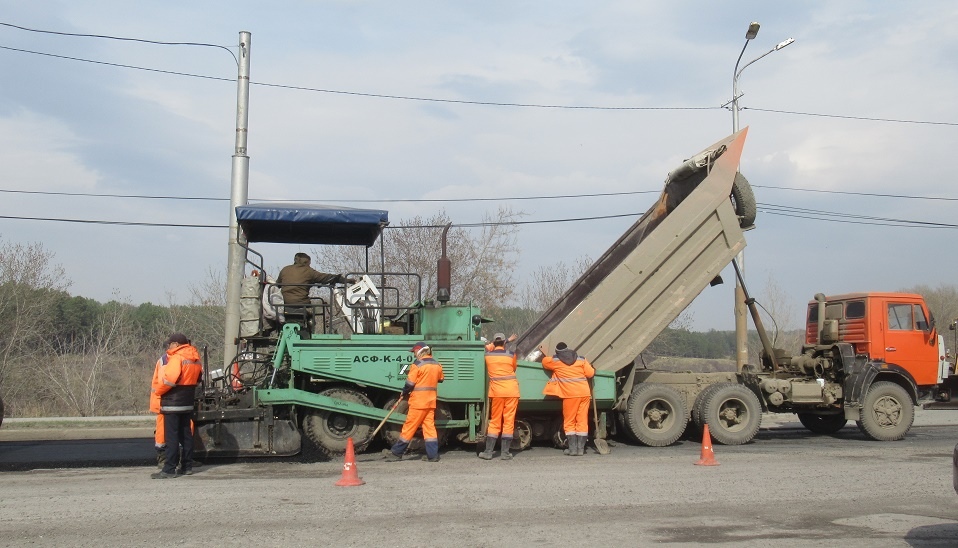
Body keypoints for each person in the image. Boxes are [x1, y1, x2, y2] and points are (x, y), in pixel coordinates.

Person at [151, 333, 203, 479]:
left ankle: (169, 469)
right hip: (187, 402)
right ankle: (187, 467)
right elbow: (198, 379)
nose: (169, 346)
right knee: (186, 435)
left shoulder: (177, 358)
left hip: (172, 403)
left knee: (171, 436)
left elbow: (169, 380)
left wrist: (159, 392)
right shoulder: (195, 359)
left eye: (170, 344)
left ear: (176, 344)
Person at [384, 342, 444, 463]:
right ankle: (433, 456)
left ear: (420, 351)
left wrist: (404, 392)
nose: (414, 355)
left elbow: (410, 384)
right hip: (431, 402)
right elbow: (441, 379)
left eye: (415, 352)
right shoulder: (437, 364)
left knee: (409, 427)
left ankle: (397, 453)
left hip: (418, 402)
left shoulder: (417, 365)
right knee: (429, 428)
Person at [539, 342, 595, 457]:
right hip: (584, 394)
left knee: (569, 421)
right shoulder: (581, 359)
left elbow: (544, 362)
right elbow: (590, 374)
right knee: (582, 420)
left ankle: (572, 449)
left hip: (570, 395)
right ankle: (580, 449)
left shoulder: (555, 361)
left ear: (557, 352)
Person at [276, 253, 354, 331]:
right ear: (306, 262)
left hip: (284, 304)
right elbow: (326, 278)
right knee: (312, 315)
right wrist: (346, 280)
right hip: (301, 304)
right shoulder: (308, 271)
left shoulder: (285, 270)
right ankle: (310, 331)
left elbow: (277, 285)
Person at [479, 333, 520, 460]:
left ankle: (488, 452)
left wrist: (505, 340)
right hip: (512, 391)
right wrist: (507, 341)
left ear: (493, 342)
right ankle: (505, 453)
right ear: (503, 343)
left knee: (495, 420)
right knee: (508, 421)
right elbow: (514, 368)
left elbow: (486, 347)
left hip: (497, 392)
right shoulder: (511, 355)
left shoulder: (487, 355)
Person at [149, 351, 168, 468]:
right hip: (164, 401)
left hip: (170, 400)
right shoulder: (166, 361)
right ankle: (163, 456)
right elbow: (165, 382)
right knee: (163, 428)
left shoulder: (167, 360)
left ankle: (183, 457)